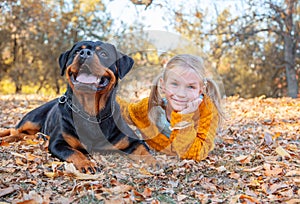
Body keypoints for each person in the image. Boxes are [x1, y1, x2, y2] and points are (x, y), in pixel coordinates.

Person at [117, 54, 224, 161]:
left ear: (200, 90)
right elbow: (125, 111)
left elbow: (193, 154)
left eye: (191, 87)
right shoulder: (149, 109)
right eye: (174, 84)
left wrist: (184, 118)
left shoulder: (207, 112)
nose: (181, 93)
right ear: (163, 85)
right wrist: (103, 92)